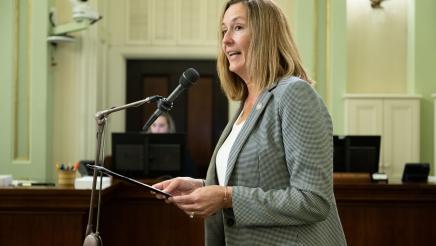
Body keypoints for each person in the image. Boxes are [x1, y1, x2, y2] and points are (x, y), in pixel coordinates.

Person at [153, 0, 347, 245]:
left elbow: (313, 200)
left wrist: (226, 196)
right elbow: (257, 180)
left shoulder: (294, 94)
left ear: (265, 34)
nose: (225, 40)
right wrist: (203, 186)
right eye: (224, 31)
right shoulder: (246, 104)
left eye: (237, 28)